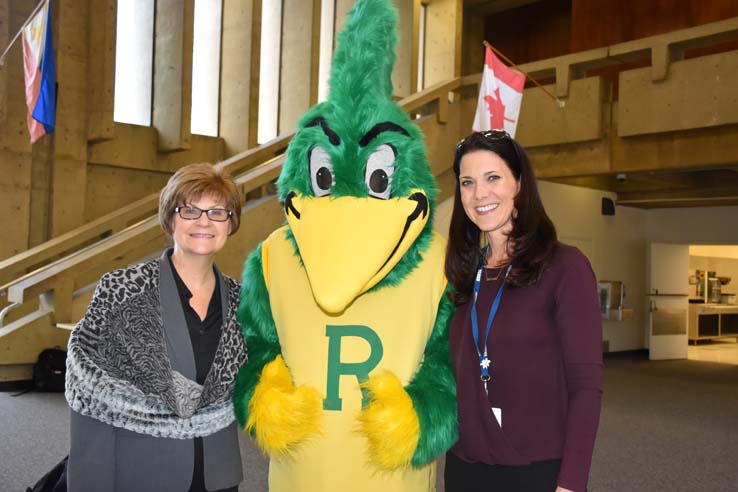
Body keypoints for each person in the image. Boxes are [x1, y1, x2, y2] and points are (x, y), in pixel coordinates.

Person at [65, 163, 247, 492]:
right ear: (170, 217)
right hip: (143, 472)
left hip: (219, 475)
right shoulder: (124, 289)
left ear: (230, 223)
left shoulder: (243, 301)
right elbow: (90, 396)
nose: (204, 221)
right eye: (190, 210)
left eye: (217, 212)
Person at [444, 130, 602, 492]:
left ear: (519, 184)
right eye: (467, 182)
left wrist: (572, 483)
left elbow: (586, 385)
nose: (479, 193)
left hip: (534, 471)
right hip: (464, 467)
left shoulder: (565, 267)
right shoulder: (465, 274)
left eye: (493, 177)